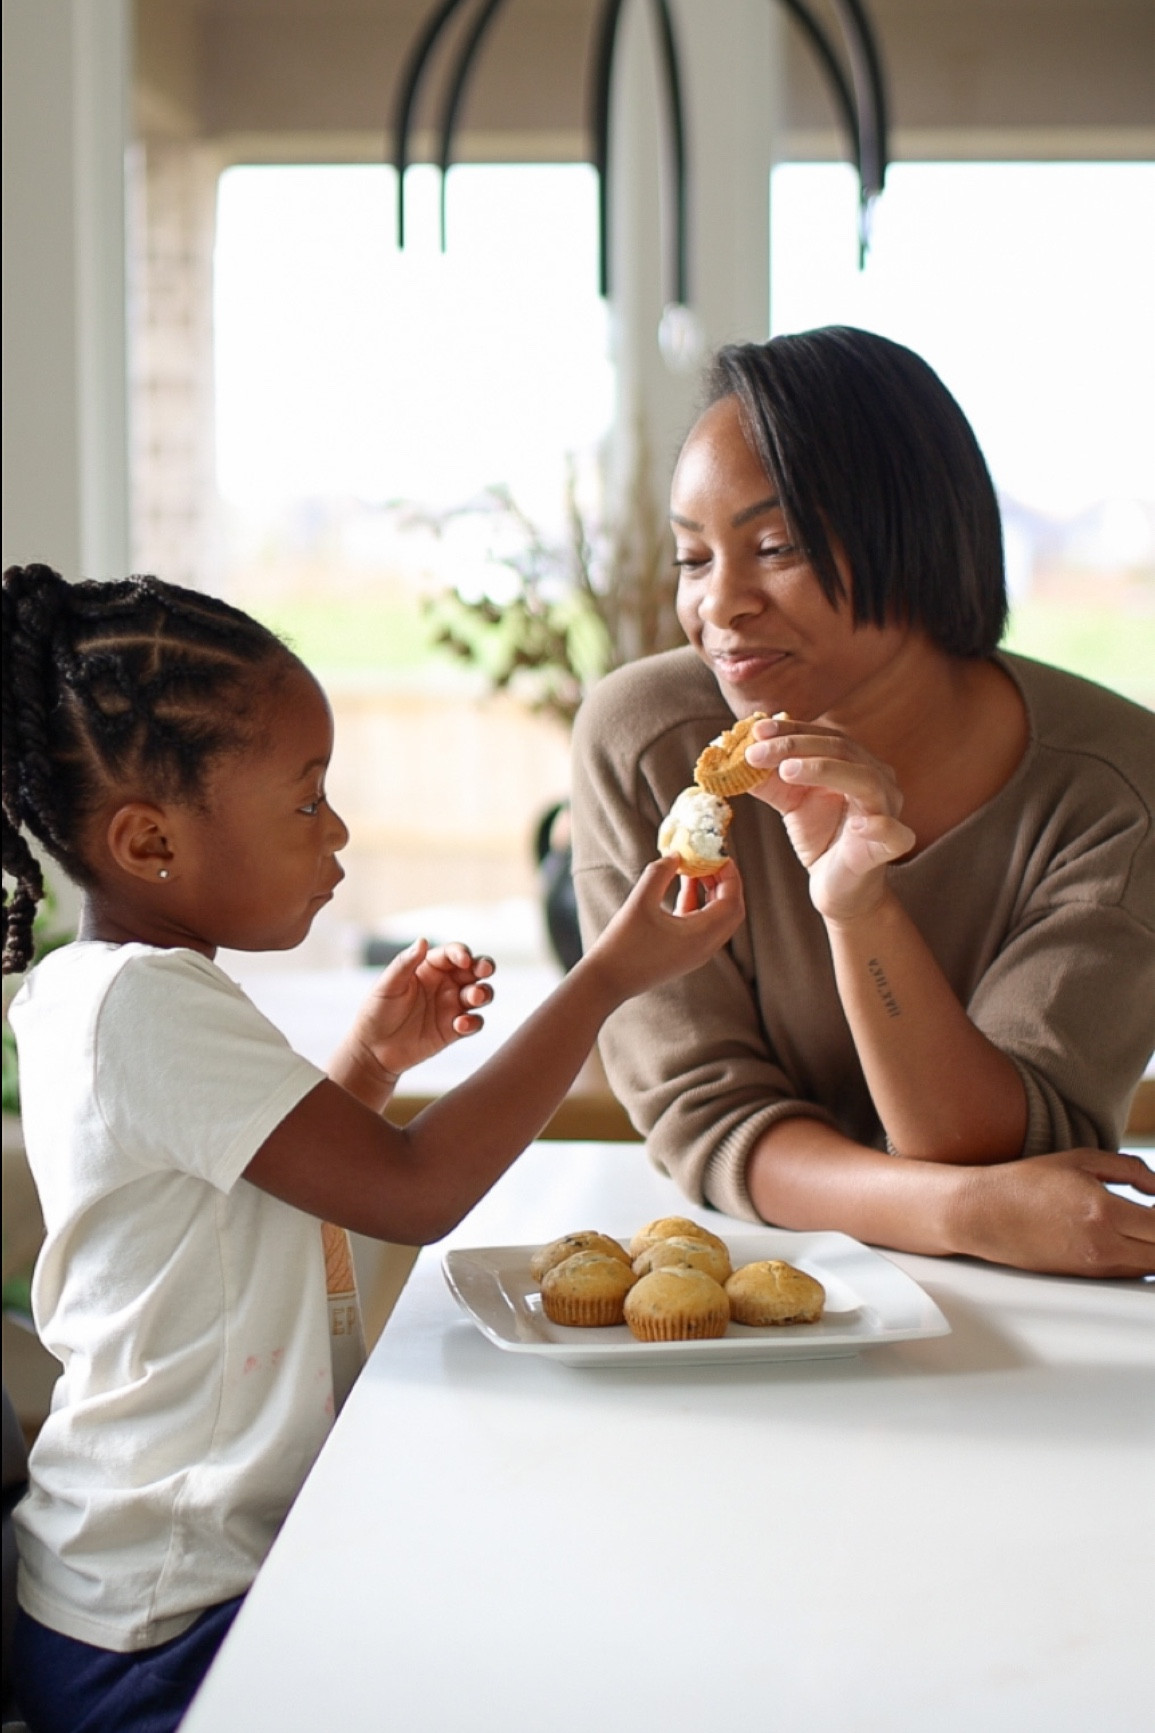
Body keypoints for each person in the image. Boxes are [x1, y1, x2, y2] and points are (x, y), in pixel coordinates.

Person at [1, 562, 744, 1733]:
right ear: (148, 841)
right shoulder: (140, 1004)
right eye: (306, 800)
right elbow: (415, 1189)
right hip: (161, 1630)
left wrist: (367, 1066)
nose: (338, 828)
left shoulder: (118, 994)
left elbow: (243, 1209)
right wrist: (607, 975)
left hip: (172, 1593)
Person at [571, 326, 1155, 1281]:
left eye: (774, 547)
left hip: (1027, 1306)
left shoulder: (1117, 787)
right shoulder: (647, 741)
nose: (719, 605)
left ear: (913, 531)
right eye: (692, 559)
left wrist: (858, 906)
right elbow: (706, 1113)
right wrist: (960, 1211)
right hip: (743, 1283)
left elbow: (997, 1145)